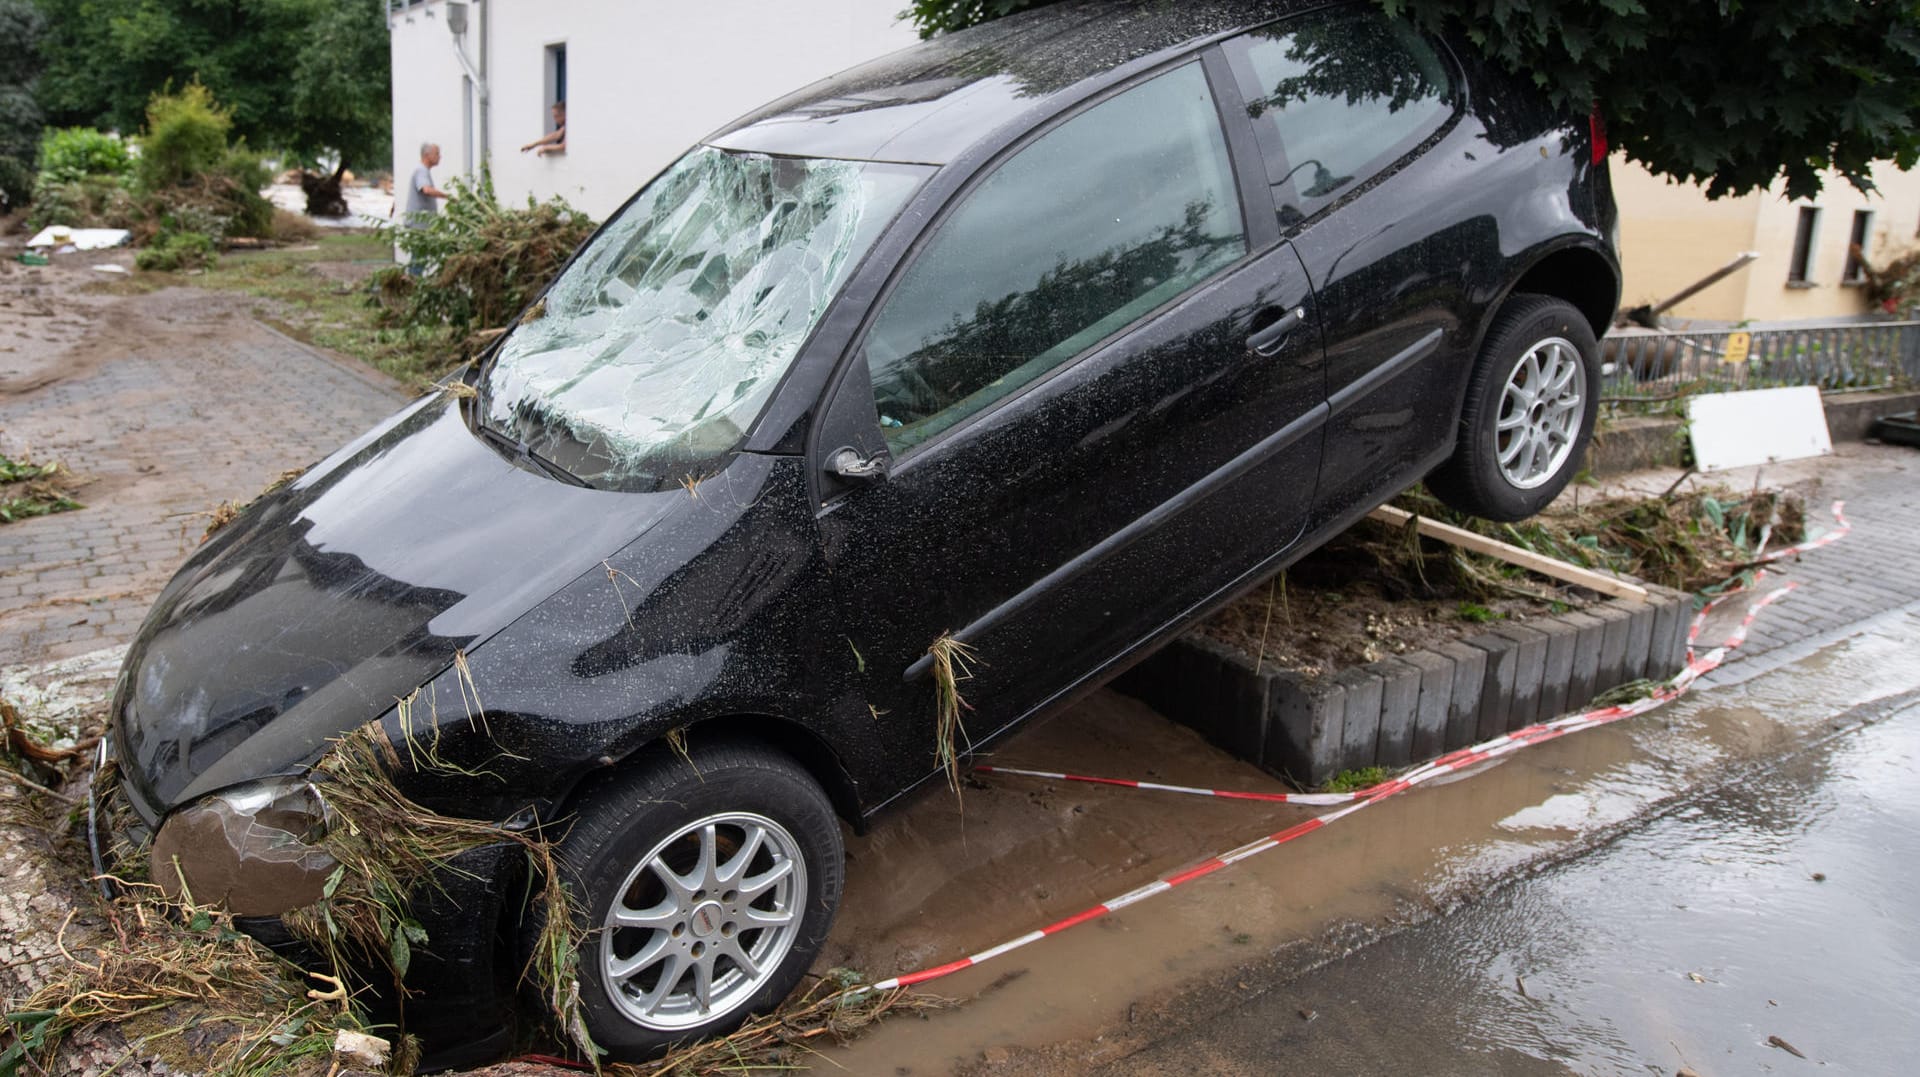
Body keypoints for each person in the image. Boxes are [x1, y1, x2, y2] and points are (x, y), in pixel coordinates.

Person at [400, 142, 450, 276]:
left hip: (422, 224)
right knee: (419, 258)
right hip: (419, 225)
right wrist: (447, 196)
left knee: (420, 258)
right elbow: (426, 189)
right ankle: (413, 286)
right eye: (437, 154)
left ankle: (413, 284)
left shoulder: (423, 170)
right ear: (427, 155)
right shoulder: (421, 171)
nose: (440, 156)